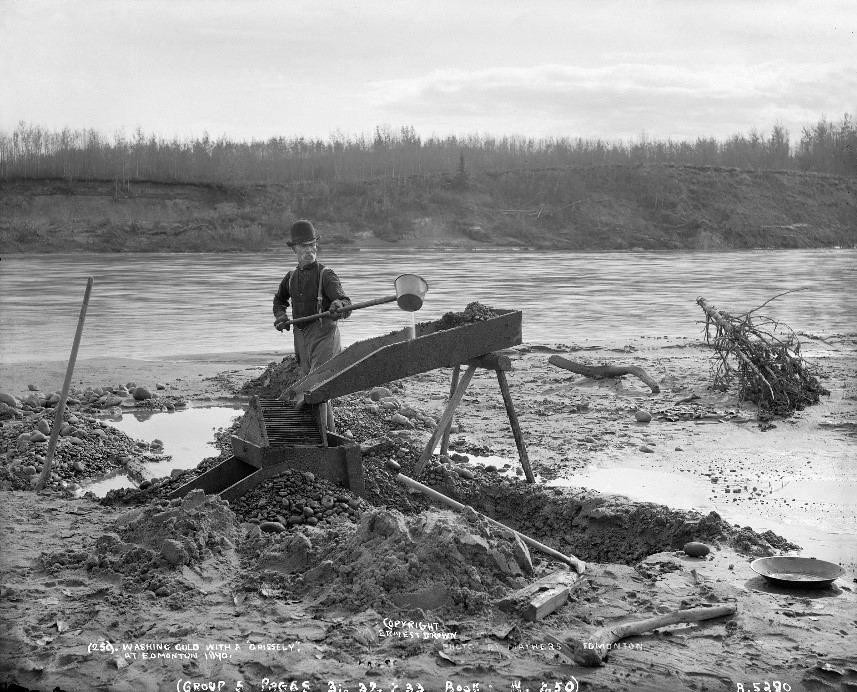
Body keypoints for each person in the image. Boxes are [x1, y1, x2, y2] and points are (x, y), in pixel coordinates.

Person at [273, 220, 352, 383]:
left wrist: (339, 307)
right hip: (300, 339)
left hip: (324, 337)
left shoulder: (326, 275)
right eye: (303, 246)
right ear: (294, 248)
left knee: (318, 384)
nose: (309, 250)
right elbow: (279, 300)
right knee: (307, 384)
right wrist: (281, 316)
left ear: (316, 246)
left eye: (312, 245)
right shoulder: (290, 278)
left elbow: (346, 302)